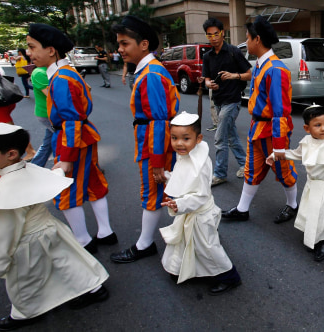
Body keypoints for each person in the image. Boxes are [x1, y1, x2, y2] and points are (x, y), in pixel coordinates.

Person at [0, 123, 109, 331]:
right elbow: (50, 176)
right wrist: (61, 170)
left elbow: (5, 232)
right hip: (50, 228)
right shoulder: (27, 168)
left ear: (10, 154)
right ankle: (94, 288)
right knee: (68, 261)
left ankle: (24, 312)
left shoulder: (6, 189)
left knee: (23, 279)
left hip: (26, 240)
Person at [26, 23, 117, 254]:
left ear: (51, 50)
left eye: (32, 47)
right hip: (82, 137)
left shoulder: (61, 78)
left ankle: (84, 241)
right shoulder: (67, 73)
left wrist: (65, 157)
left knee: (66, 190)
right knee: (94, 182)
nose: (29, 53)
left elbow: (70, 121)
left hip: (72, 140)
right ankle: (105, 232)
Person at [109, 15, 180, 263]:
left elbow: (158, 121)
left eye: (125, 43)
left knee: (153, 192)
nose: (120, 49)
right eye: (119, 43)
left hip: (155, 145)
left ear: (144, 44)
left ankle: (144, 245)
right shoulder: (149, 70)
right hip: (152, 141)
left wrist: (157, 160)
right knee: (164, 191)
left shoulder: (150, 74)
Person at [221, 16, 298, 224]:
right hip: (258, 127)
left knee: (283, 170)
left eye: (247, 37)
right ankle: (242, 209)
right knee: (252, 169)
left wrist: (280, 144)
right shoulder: (261, 65)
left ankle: (293, 205)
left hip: (271, 129)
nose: (246, 42)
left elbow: (280, 110)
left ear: (257, 39)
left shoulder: (275, 68)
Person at [159, 112, 242, 295]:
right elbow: (184, 179)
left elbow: (201, 195)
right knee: (186, 241)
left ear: (198, 139)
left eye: (185, 138)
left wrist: (179, 205)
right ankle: (179, 267)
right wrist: (167, 177)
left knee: (208, 247)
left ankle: (229, 276)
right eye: (174, 138)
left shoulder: (200, 163)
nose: (179, 143)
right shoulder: (187, 154)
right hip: (190, 211)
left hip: (200, 214)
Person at [266, 105, 324, 261]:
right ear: (307, 128)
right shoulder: (306, 141)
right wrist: (277, 154)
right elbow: (297, 154)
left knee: (322, 215)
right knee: (310, 211)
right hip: (311, 184)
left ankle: (323, 241)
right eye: (317, 125)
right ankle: (312, 236)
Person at [202, 17, 251, 186]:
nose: (213, 38)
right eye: (209, 35)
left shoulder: (233, 52)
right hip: (218, 100)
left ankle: (220, 173)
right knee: (231, 136)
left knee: (220, 138)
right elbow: (206, 78)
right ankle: (245, 164)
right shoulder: (207, 57)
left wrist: (233, 76)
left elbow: (250, 73)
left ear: (223, 33)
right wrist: (210, 84)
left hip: (233, 100)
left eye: (216, 34)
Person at [29, 66, 53, 167]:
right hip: (48, 114)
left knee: (49, 142)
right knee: (65, 141)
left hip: (52, 113)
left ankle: (36, 166)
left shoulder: (52, 69)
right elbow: (53, 95)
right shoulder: (39, 73)